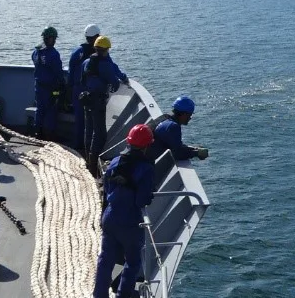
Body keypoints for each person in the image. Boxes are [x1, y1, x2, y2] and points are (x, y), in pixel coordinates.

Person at [94, 124, 155, 298]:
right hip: (129, 221)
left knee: (105, 260)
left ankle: (99, 295)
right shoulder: (146, 169)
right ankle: (124, 294)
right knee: (133, 261)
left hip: (110, 216)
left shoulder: (114, 162)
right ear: (146, 146)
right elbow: (141, 200)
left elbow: (106, 189)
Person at [80, 36, 129, 174]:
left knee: (88, 130)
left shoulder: (86, 62)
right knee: (100, 134)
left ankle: (87, 160)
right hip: (98, 101)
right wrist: (121, 79)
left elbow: (81, 81)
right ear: (106, 50)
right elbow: (114, 82)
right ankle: (93, 166)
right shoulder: (105, 64)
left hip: (86, 99)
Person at [147, 96, 210, 163]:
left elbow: (175, 145)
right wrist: (197, 153)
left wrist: (194, 149)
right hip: (144, 162)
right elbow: (178, 154)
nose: (190, 118)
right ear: (184, 114)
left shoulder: (164, 118)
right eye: (190, 115)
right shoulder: (173, 127)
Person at [69, 24, 102, 150]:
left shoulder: (78, 51)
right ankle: (83, 147)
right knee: (87, 120)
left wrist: (70, 86)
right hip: (86, 89)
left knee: (82, 119)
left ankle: (81, 146)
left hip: (80, 88)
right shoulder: (95, 52)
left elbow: (72, 70)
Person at [31, 27, 67, 139]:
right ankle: (50, 134)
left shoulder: (36, 52)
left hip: (38, 86)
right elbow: (58, 72)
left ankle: (38, 133)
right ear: (49, 38)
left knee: (40, 109)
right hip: (51, 88)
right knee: (52, 109)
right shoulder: (53, 54)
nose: (55, 41)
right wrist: (62, 84)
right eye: (54, 38)